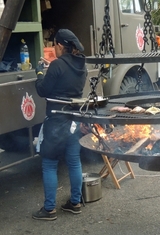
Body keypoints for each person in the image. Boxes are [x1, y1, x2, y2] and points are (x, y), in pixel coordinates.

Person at [32, 29, 87, 221]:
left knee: (49, 163)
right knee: (73, 161)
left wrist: (40, 73)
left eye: (54, 44)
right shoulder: (82, 65)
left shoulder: (56, 66)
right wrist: (52, 67)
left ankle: (49, 210)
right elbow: (64, 74)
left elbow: (43, 90)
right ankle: (75, 202)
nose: (54, 48)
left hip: (56, 121)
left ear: (60, 46)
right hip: (74, 119)